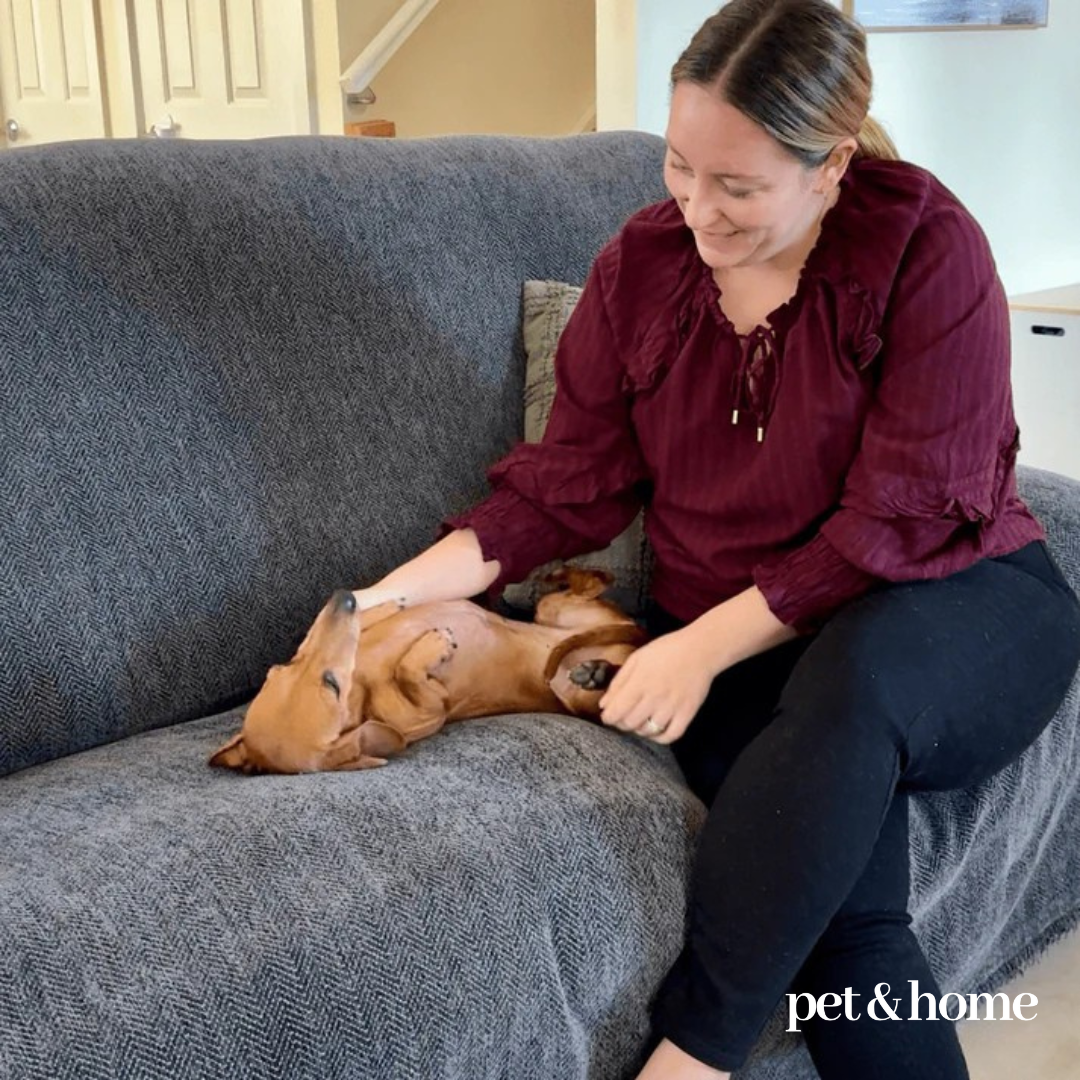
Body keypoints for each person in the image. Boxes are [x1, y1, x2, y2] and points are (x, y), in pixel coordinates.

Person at [353, 1, 1080, 1077]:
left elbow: (898, 521)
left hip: (957, 611)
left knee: (864, 671)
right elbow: (563, 490)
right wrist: (369, 605)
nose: (698, 210)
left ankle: (693, 1054)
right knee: (851, 934)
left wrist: (692, 646)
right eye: (681, 169)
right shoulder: (642, 267)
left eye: (738, 187)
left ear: (831, 163)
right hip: (763, 657)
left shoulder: (927, 247)